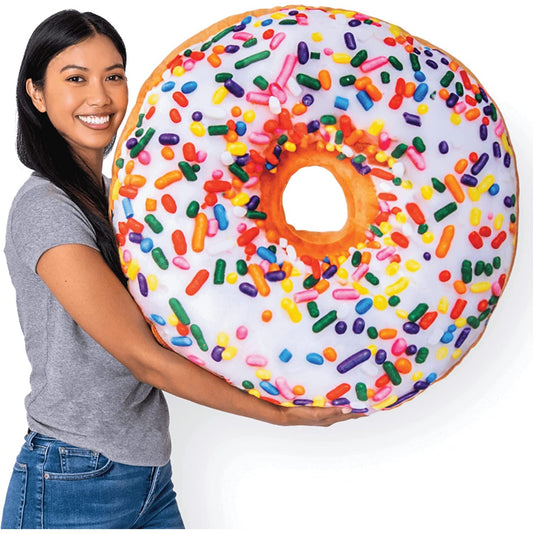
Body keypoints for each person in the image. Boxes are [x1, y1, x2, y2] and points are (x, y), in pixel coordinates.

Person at [1, 9, 360, 529]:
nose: (100, 97)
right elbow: (143, 357)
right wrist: (278, 414)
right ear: (35, 94)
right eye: (75, 78)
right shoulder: (45, 207)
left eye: (114, 76)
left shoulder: (113, 199)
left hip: (145, 471)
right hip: (71, 475)